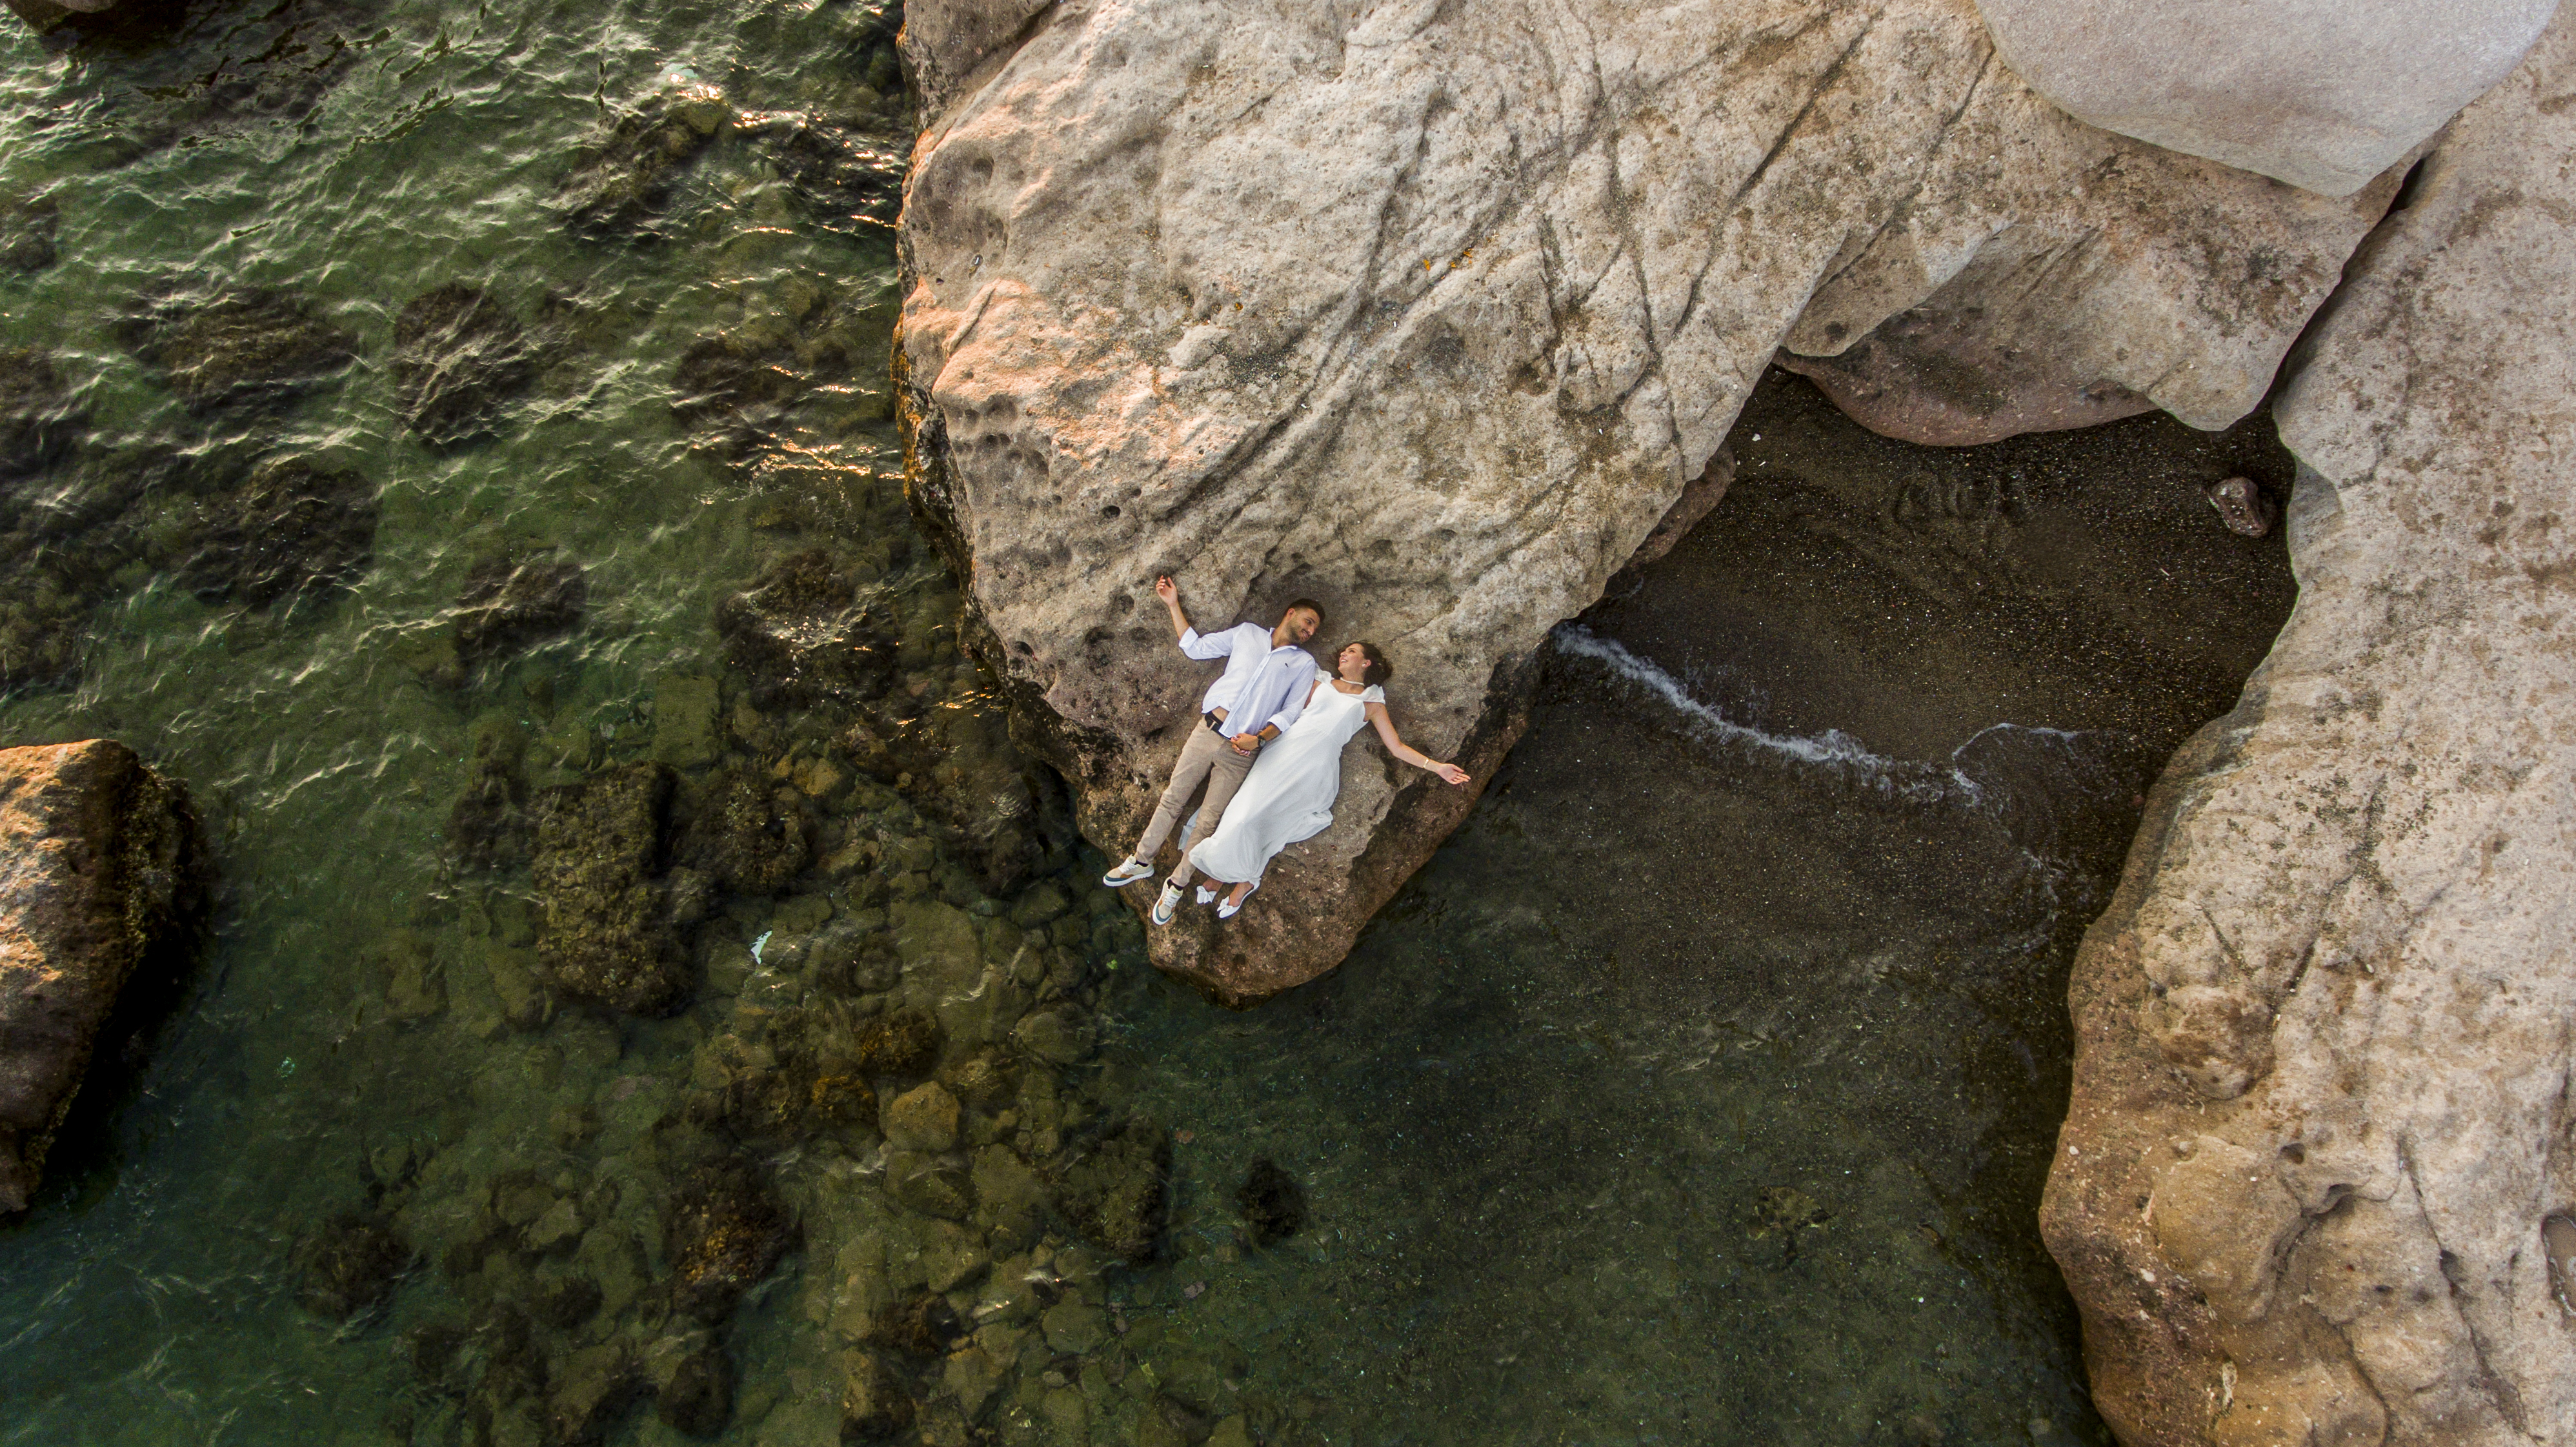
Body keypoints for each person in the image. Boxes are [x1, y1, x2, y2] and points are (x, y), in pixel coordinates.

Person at [1151, 640, 1471, 924]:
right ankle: (1230, 876)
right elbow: (1282, 705)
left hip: (1314, 770)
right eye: (1344, 651)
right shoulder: (1320, 682)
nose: (1344, 654)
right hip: (1279, 755)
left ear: (1367, 663)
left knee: (1268, 822)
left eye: (1353, 652)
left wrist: (1438, 767)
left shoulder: (1372, 703)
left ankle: (1242, 880)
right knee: (1241, 815)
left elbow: (1397, 747)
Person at [1100, 576, 1325, 890]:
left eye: (1314, 629)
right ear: (1290, 613)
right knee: (1172, 799)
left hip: (1242, 752)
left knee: (1208, 822)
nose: (1310, 632)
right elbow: (1196, 648)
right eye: (1309, 622)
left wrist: (1259, 739)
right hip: (1208, 730)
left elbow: (1291, 712)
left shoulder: (1303, 663)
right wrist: (1173, 604)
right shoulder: (1247, 633)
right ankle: (1140, 862)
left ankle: (1177, 885)